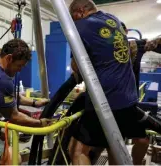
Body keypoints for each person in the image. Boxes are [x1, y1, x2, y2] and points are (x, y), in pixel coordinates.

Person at [67, 0, 148, 165]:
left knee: (77, 150)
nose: (74, 21)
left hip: (104, 99)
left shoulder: (81, 26)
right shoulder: (113, 19)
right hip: (128, 97)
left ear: (80, 11)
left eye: (73, 17)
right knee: (116, 145)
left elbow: (77, 68)